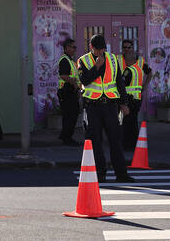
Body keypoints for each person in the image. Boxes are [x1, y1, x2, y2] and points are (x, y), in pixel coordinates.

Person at [77, 34, 135, 183]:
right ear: (91, 47)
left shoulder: (113, 59)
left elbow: (119, 83)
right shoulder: (83, 60)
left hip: (110, 105)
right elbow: (84, 80)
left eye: (103, 49)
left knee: (115, 140)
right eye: (98, 50)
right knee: (95, 141)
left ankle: (121, 174)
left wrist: (124, 103)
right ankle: (100, 174)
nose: (100, 52)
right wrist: (96, 66)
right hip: (93, 106)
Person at [118, 39, 152, 151]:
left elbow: (150, 73)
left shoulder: (139, 62)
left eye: (129, 47)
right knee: (126, 122)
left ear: (133, 48)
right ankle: (128, 143)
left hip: (132, 98)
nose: (126, 50)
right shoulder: (118, 60)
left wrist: (144, 86)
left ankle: (129, 144)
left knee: (129, 122)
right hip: (127, 97)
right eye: (124, 47)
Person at [57, 38, 81, 146]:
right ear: (67, 48)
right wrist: (74, 83)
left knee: (71, 114)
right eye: (73, 47)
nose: (75, 49)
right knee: (70, 116)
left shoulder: (70, 60)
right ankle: (67, 138)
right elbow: (63, 75)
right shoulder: (65, 60)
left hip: (71, 91)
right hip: (66, 92)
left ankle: (65, 135)